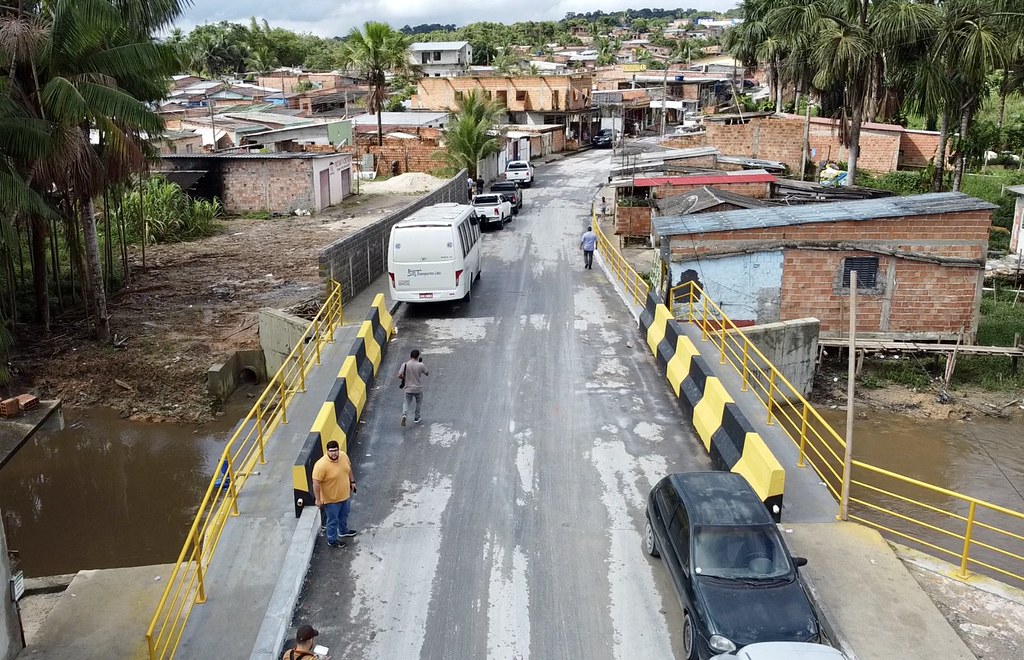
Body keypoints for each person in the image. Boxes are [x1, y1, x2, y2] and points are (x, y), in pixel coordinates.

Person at [312, 440, 356, 548]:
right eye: (331, 451)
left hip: (345, 495)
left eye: (336, 450)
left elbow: (348, 468)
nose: (334, 453)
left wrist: (352, 482)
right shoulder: (321, 465)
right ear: (327, 451)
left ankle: (343, 531)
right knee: (332, 520)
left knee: (344, 514)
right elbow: (316, 483)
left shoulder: (343, 456)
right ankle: (332, 540)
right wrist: (318, 499)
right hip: (331, 500)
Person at [398, 349, 429, 427]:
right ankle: (417, 417)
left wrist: (405, 377)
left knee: (406, 402)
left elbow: (399, 375)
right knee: (419, 402)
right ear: (417, 356)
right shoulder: (420, 365)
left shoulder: (405, 364)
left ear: (410, 356)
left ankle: (404, 414)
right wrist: (422, 364)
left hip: (408, 388)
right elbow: (427, 373)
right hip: (417, 388)